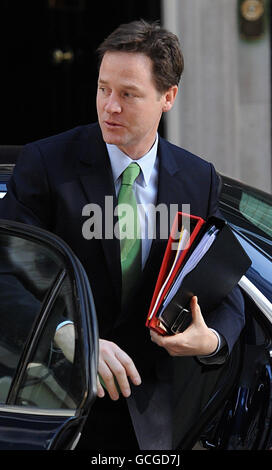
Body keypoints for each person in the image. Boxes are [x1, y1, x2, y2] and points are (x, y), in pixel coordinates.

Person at [0, 19, 245, 450]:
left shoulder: (197, 179)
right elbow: (4, 274)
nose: (109, 106)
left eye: (128, 94)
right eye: (103, 88)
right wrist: (65, 330)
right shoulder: (46, 164)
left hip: (154, 422)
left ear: (167, 97)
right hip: (48, 408)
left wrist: (210, 340)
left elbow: (224, 288)